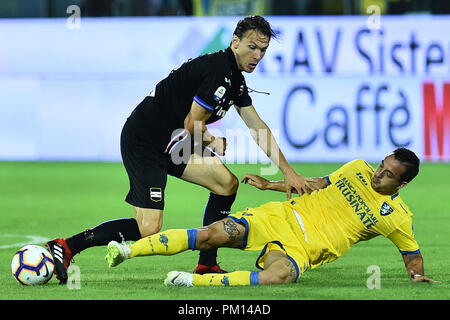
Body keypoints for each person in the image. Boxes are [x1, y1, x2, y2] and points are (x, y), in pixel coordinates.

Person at [46, 15, 312, 284]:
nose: (257, 55)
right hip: (145, 141)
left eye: (263, 50)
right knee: (149, 228)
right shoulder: (218, 72)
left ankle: (207, 265)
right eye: (252, 47)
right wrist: (212, 142)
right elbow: (193, 124)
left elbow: (259, 128)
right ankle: (67, 246)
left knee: (226, 184)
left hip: (172, 144)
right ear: (235, 42)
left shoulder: (235, 80)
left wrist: (288, 172)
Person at [105, 148, 438, 286]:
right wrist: (269, 185)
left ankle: (193, 281)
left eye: (388, 174)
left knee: (279, 277)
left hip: (303, 250)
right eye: (382, 165)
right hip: (279, 217)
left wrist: (417, 276)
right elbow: (312, 185)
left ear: (402, 183)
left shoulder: (397, 217)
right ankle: (127, 251)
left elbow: (412, 255)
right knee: (210, 235)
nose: (378, 174)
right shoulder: (356, 169)